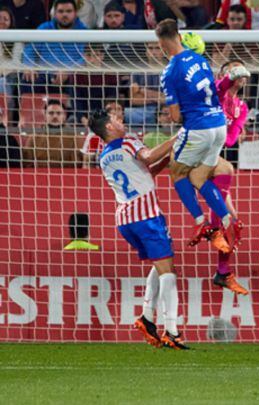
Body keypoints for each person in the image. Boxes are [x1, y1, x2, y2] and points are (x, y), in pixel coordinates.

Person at [88, 109, 189, 350]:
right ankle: (172, 331)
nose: (121, 121)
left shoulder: (103, 156)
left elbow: (142, 172)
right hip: (147, 215)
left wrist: (166, 159)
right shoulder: (129, 141)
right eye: (117, 119)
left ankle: (146, 317)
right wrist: (180, 136)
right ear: (109, 128)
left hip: (125, 219)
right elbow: (148, 156)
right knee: (168, 272)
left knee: (162, 264)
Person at [155, 18, 237, 253]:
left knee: (177, 170)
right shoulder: (201, 60)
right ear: (179, 36)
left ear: (161, 44)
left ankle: (201, 223)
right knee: (199, 177)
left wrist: (180, 109)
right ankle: (228, 219)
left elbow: (174, 115)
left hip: (198, 127)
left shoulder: (170, 72)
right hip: (219, 125)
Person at [209, 59, 251, 295]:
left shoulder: (241, 107)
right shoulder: (213, 91)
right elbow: (219, 90)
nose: (240, 73)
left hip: (215, 158)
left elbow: (230, 139)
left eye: (241, 69)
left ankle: (222, 271)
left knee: (234, 223)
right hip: (197, 151)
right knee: (225, 217)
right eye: (234, 69)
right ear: (224, 74)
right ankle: (214, 230)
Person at [22, 100, 81, 168]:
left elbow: (77, 163)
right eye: (51, 113)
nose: (55, 116)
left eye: (59, 113)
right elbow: (27, 162)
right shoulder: (35, 135)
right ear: (45, 115)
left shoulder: (74, 135)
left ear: (64, 116)